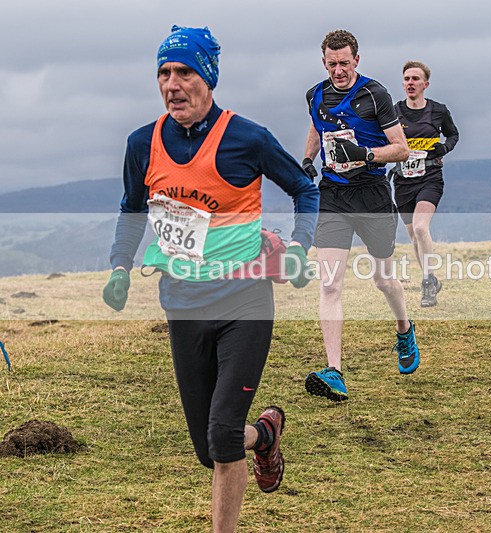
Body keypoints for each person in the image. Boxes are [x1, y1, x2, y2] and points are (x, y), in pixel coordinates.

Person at [102, 26, 319, 532]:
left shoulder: (248, 138)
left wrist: (299, 247)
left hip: (245, 302)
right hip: (182, 304)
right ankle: (264, 436)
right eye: (164, 73)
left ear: (208, 78)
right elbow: (132, 209)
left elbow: (304, 189)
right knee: (209, 448)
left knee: (222, 435)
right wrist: (119, 266)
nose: (172, 84)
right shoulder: (142, 143)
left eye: (184, 72)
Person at [300, 29, 420, 400]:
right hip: (333, 195)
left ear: (356, 59)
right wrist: (307, 160)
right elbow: (317, 127)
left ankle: (404, 329)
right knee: (329, 284)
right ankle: (334, 372)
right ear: (324, 62)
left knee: (384, 280)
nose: (338, 70)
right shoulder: (315, 94)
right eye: (331, 64)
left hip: (372, 195)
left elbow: (401, 149)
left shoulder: (375, 94)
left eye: (344, 63)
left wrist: (365, 155)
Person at [388, 61, 459, 307]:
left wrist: (444, 148)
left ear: (425, 84)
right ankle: (431, 278)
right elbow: (382, 138)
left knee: (420, 228)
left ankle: (427, 283)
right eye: (407, 79)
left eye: (415, 79)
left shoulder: (438, 110)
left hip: (430, 177)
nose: (411, 83)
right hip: (403, 180)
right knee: (413, 237)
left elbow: (453, 134)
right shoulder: (393, 112)